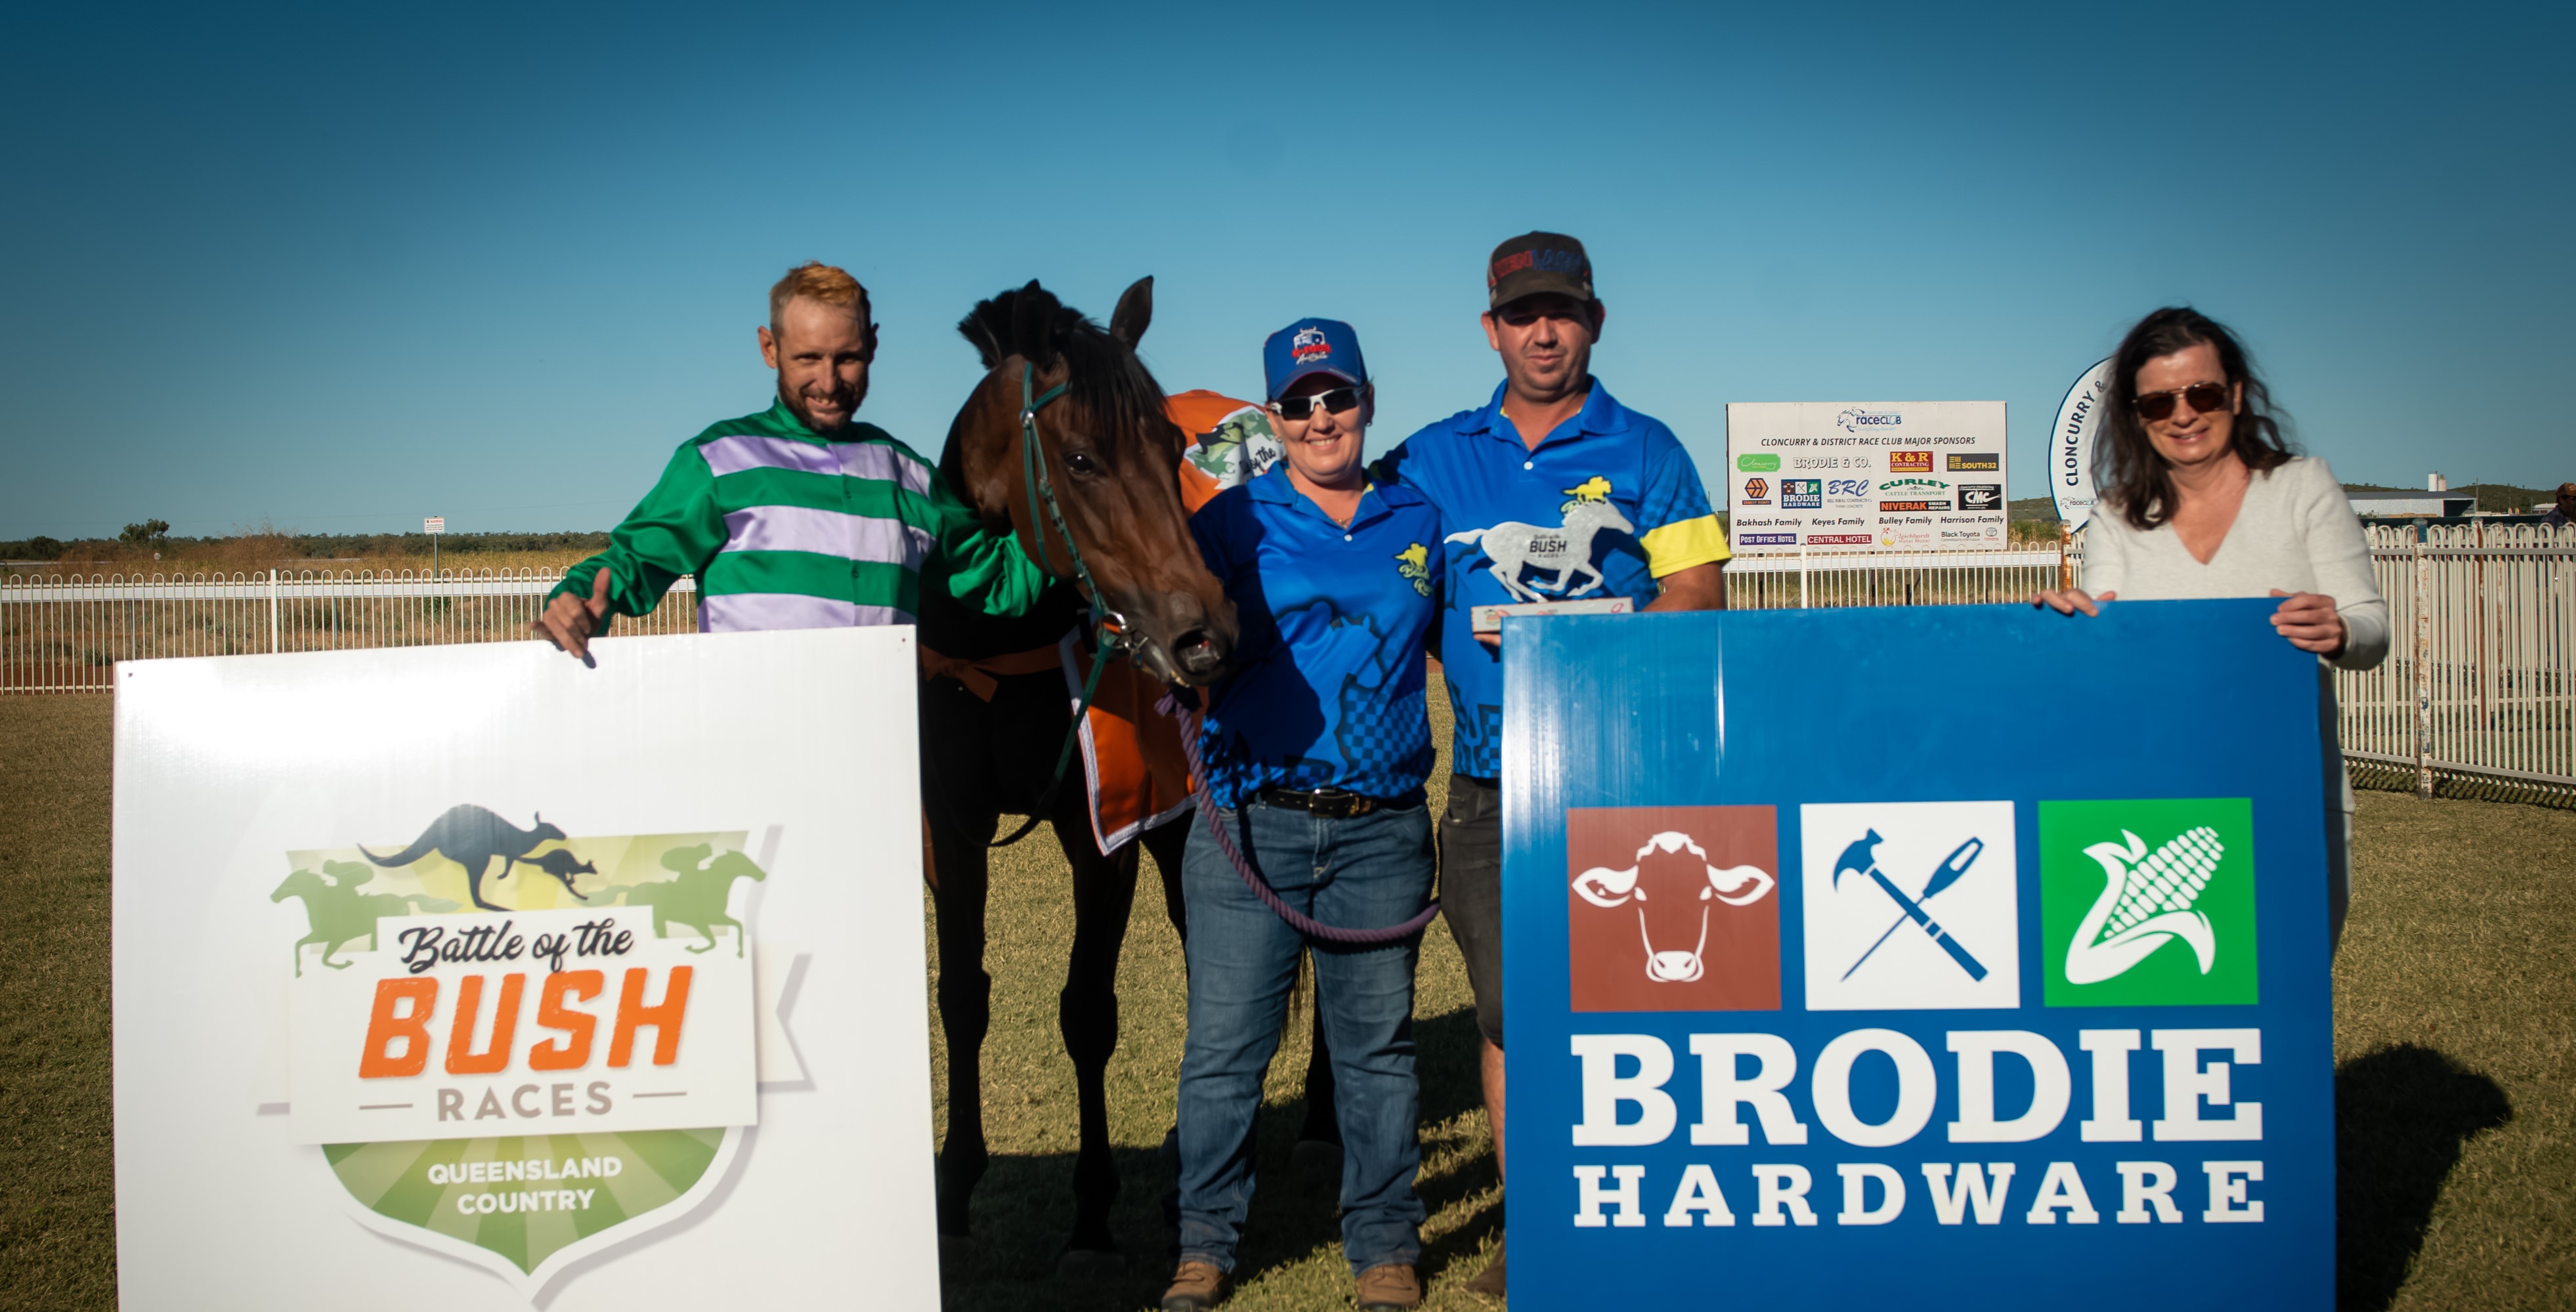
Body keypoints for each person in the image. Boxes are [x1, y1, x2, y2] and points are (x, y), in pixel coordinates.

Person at [1368, 232, 1730, 1297]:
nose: (1542, 330)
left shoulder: (1652, 450)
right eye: (1521, 312)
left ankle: (1647, 1215)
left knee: (1642, 1005)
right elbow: (1365, 562)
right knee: (1507, 1014)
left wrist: (1583, 632)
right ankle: (1536, 1229)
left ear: (1593, 321)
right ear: (1490, 327)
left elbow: (1700, 595)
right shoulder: (1431, 456)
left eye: (1560, 311)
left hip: (1621, 780)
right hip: (1488, 787)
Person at [1163, 319, 1441, 1312]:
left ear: (1367, 397)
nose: (1322, 417)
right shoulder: (1232, 519)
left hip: (1381, 825)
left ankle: (1383, 1247)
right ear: (1272, 417)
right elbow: (1154, 603)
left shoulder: (1421, 515)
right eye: (1299, 402)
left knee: (1377, 1053)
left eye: (1338, 396)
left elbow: (1474, 649)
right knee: (1226, 1052)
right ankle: (1204, 1244)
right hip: (1250, 816)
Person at [2033, 307, 2387, 946]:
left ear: (2238, 394)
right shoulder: (2116, 515)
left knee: (2287, 1001)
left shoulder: (2304, 488)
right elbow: (2102, 626)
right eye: (2158, 403)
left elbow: (2370, 627)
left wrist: (2337, 628)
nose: (2183, 414)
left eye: (2202, 393)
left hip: (2291, 793)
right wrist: (2069, 629)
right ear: (2135, 417)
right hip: (2158, 802)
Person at [530, 261, 1043, 655]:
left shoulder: (907, 475)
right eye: (808, 358)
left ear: (873, 345)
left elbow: (1000, 582)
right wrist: (574, 601)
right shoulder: (716, 462)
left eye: (847, 358)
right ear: (769, 349)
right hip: (750, 762)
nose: (828, 381)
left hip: (881, 771)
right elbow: (630, 563)